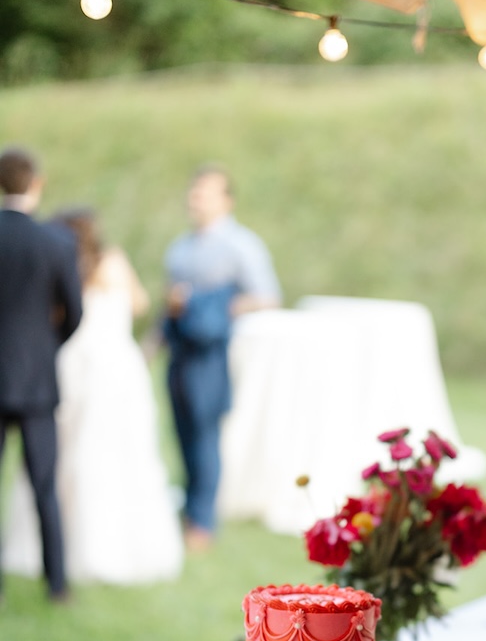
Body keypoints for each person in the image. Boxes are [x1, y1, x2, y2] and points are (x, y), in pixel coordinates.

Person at [4, 209, 184, 586]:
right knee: (120, 455)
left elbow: (60, 314)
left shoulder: (64, 262)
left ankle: (67, 551)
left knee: (71, 458)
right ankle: (104, 550)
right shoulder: (112, 261)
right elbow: (139, 303)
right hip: (118, 371)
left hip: (79, 368)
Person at [163, 165, 282, 551]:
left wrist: (215, 307)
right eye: (193, 192)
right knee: (182, 433)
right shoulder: (181, 247)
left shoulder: (241, 245)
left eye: (205, 194)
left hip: (211, 353)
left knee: (205, 435)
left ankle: (202, 520)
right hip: (180, 349)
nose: (195, 200)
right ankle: (189, 508)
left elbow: (267, 297)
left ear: (226, 201)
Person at [0, 147, 82, 602]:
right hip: (37, 381)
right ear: (36, 183)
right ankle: (57, 584)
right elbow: (75, 312)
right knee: (45, 486)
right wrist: (48, 346)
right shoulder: (56, 242)